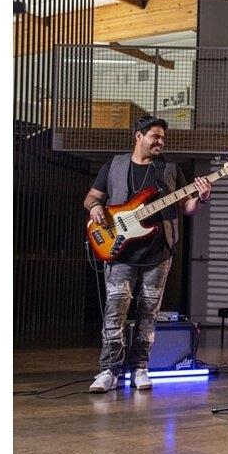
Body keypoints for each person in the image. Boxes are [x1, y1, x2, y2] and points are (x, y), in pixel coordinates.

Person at [83, 116, 212, 393]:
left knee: (149, 315)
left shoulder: (169, 169)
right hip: (118, 251)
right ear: (139, 136)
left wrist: (201, 198)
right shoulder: (114, 165)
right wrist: (95, 207)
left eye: (163, 137)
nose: (161, 141)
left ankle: (140, 368)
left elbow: (186, 208)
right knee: (114, 313)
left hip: (158, 252)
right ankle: (109, 371)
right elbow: (91, 197)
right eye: (155, 136)